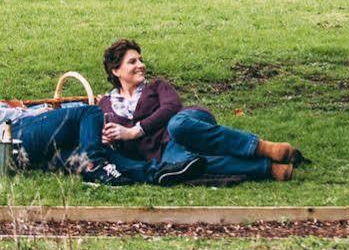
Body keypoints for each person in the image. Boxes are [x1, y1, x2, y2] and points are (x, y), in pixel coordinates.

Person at [97, 38, 305, 184]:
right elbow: (116, 145)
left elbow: (171, 108)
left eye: (141, 60)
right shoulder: (105, 104)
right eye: (133, 62)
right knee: (185, 165)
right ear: (116, 71)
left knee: (178, 126)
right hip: (163, 149)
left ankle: (261, 147)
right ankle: (267, 168)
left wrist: (135, 131)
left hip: (187, 123)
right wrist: (111, 139)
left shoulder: (157, 86)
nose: (141, 65)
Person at [0, 40, 136, 185]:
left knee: (83, 148)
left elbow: (1, 112)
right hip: (9, 143)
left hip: (13, 140)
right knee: (90, 113)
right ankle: (95, 166)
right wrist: (33, 113)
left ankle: (153, 172)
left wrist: (34, 111)